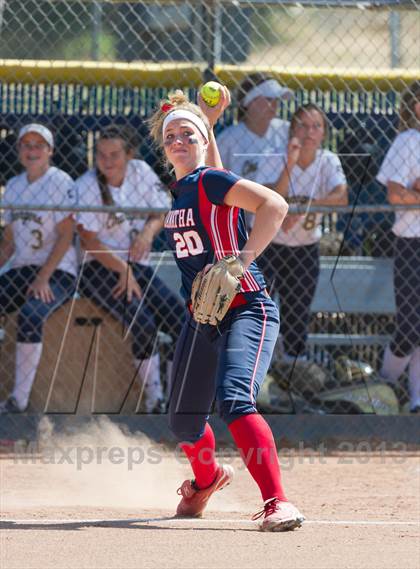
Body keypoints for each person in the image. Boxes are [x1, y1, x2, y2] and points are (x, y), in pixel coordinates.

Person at [149, 90, 305, 532]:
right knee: (183, 420)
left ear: (200, 142)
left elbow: (275, 206)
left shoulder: (206, 183)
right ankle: (208, 480)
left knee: (235, 400)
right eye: (171, 136)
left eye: (189, 133)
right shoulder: (184, 189)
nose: (179, 140)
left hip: (246, 308)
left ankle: (278, 502)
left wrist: (242, 261)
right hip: (202, 317)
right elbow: (212, 175)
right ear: (164, 149)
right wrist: (209, 122)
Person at [76, 125, 184, 413]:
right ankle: (155, 400)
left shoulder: (140, 172)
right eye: (101, 155)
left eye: (114, 154)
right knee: (144, 324)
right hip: (98, 268)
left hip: (137, 266)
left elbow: (161, 210)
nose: (107, 161)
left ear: (129, 155)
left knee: (182, 322)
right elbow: (88, 239)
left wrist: (147, 234)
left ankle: (178, 399)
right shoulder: (87, 185)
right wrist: (123, 270)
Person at [260, 103, 348, 361]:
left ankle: (293, 371)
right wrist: (291, 163)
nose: (310, 132)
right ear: (292, 130)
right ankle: (258, 372)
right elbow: (269, 196)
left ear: (323, 132)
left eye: (316, 126)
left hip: (305, 249)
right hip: (270, 247)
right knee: (259, 312)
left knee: (297, 315)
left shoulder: (328, 160)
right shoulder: (275, 155)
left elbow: (341, 197)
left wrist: (304, 207)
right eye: (303, 125)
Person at [0, 124, 77, 413]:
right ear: (19, 150)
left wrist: (44, 277)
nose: (32, 150)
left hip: (58, 271)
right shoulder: (15, 186)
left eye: (38, 145)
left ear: (50, 151)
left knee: (32, 315)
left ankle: (18, 401)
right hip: (23, 267)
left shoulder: (61, 182)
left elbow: (66, 235)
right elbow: (8, 244)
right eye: (26, 145)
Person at [376, 80, 420, 414]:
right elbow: (395, 193)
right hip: (412, 241)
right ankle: (384, 386)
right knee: (409, 326)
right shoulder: (409, 140)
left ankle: (417, 400)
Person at [217, 73, 292, 185]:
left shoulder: (286, 130)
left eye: (277, 99)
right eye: (269, 99)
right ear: (249, 101)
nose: (275, 104)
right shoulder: (228, 138)